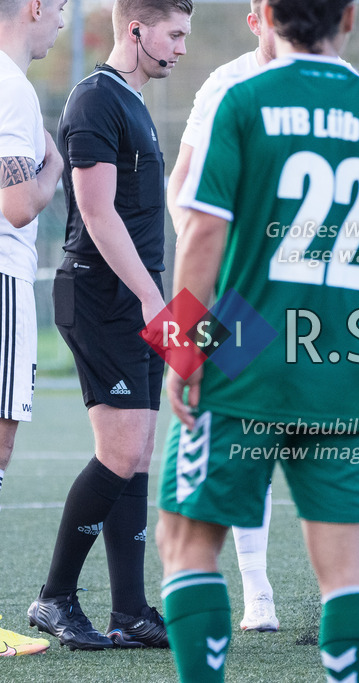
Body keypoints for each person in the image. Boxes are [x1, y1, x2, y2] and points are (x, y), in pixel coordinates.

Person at [155, 0, 359, 679]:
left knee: (187, 542)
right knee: (346, 570)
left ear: (269, 15)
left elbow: (199, 234)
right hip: (343, 360)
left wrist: (179, 348)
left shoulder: (243, 99)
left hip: (244, 350)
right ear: (349, 17)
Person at [26, 0, 193, 651]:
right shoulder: (96, 99)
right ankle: (55, 596)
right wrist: (156, 301)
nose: (180, 48)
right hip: (102, 298)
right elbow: (96, 213)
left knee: (139, 452)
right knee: (120, 451)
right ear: (136, 29)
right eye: (173, 34)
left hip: (141, 301)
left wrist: (165, 301)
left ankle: (130, 609)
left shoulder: (136, 104)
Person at [165, 0, 280, 634]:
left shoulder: (339, 81)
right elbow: (182, 186)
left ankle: (350, 591)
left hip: (313, 299)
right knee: (237, 439)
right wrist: (207, 280)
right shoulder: (227, 83)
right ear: (255, 20)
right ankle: (256, 590)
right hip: (235, 292)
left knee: (342, 444)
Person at [0, 0, 66, 657]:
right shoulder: (11, 87)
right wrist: (55, 166)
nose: (65, 24)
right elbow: (19, 204)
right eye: (64, 8)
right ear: (35, 7)